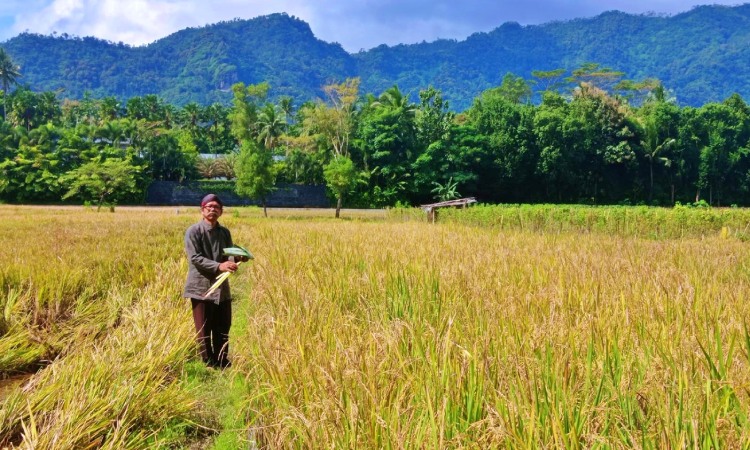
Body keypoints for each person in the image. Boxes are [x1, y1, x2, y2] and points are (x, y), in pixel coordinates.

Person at [183, 193, 247, 368]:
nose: (212, 210)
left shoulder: (224, 232)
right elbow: (195, 258)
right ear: (202, 210)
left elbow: (228, 256)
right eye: (209, 207)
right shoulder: (193, 231)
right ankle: (208, 362)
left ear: (221, 212)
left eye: (216, 207)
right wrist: (220, 266)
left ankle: (222, 360)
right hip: (200, 286)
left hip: (221, 288)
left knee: (223, 325)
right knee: (204, 327)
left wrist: (238, 260)